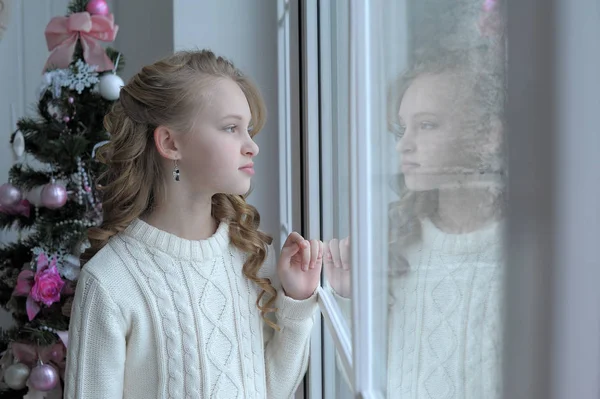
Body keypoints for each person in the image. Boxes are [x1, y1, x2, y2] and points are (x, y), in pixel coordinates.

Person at [64, 50, 323, 399]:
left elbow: (272, 390)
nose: (252, 147)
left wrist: (295, 301)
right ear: (170, 143)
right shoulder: (111, 281)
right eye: (231, 128)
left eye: (248, 129)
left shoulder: (250, 257)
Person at [325, 50, 506, 398]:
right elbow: (372, 382)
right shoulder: (399, 249)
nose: (403, 146)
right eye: (401, 129)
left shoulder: (526, 255)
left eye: (426, 125)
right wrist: (348, 300)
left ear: (488, 136)